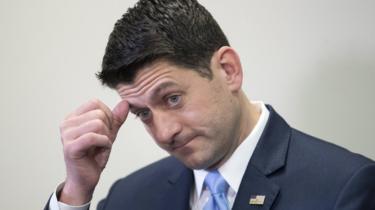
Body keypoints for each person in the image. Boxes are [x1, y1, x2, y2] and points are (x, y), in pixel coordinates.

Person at [45, 0, 375, 209]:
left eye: (172, 98)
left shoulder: (344, 187)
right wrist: (76, 191)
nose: (164, 133)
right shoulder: (129, 197)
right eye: (143, 113)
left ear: (229, 70)